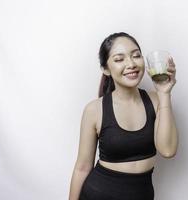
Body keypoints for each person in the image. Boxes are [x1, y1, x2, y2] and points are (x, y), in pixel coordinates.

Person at [68, 32, 178, 200]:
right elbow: (82, 167)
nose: (131, 64)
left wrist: (164, 94)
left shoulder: (156, 101)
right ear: (105, 69)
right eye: (119, 59)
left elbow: (168, 150)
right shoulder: (94, 110)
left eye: (136, 56)